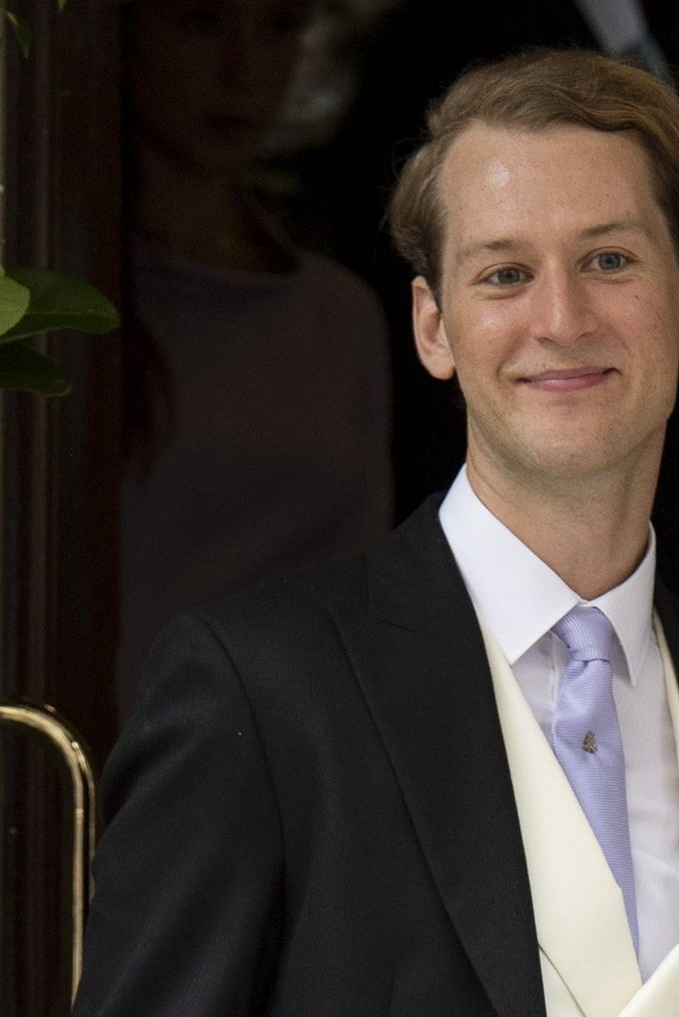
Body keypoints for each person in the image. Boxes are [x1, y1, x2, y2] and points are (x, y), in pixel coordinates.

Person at [66, 50, 679, 1017]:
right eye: (505, 274)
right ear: (434, 326)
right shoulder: (256, 692)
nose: (560, 320)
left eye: (609, 260)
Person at [117, 0, 393, 717]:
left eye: (279, 28)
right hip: (104, 762)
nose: (243, 72)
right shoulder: (66, 303)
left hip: (300, 770)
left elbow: (366, 595)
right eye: (200, 22)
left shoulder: (342, 318)